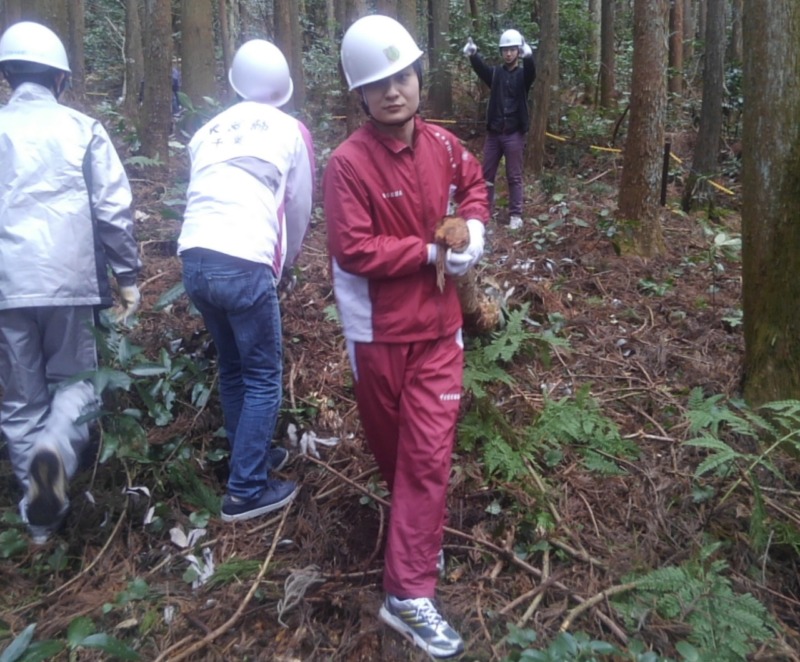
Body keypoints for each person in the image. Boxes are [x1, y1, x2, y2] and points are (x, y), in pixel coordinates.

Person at [323, 14, 489, 659]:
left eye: (403, 76)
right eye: (377, 83)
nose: (393, 91)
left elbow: (473, 188)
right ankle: (416, 535)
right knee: (396, 454)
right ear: (359, 95)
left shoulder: (446, 147)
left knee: (426, 456)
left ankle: (407, 592)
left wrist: (474, 233)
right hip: (377, 333)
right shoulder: (347, 164)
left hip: (439, 330)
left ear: (420, 78)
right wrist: (430, 253)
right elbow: (353, 248)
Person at [0, 21, 141, 544]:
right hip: (69, 281)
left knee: (19, 399)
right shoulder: (83, 129)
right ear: (61, 79)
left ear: (7, 75)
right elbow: (113, 209)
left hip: (7, 285)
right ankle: (56, 449)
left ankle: (41, 524)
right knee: (78, 381)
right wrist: (126, 274)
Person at [177, 39, 315, 523]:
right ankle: (247, 489)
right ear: (283, 90)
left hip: (194, 258)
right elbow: (297, 206)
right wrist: (288, 260)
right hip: (244, 259)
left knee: (233, 367)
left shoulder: (205, 131)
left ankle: (247, 457)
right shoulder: (291, 129)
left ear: (234, 83)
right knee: (261, 375)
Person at [463, 29, 536, 229]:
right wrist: (473, 54)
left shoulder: (522, 75)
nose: (508, 54)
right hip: (495, 133)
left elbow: (531, 73)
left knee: (514, 175)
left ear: (517, 52)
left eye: (512, 50)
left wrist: (529, 58)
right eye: (505, 50)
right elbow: (481, 70)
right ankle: (483, 212)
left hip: (514, 133)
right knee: (486, 175)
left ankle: (515, 215)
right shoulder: (495, 74)